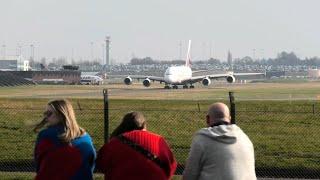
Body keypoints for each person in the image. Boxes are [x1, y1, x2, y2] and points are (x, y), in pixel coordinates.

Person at [183, 102, 256, 180]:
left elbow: (189, 175)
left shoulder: (202, 140)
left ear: (207, 119)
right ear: (230, 119)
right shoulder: (245, 139)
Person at [97, 111, 177, 180]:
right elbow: (171, 166)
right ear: (144, 125)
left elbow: (101, 164)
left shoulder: (114, 143)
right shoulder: (158, 139)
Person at [33, 99, 96, 180]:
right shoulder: (86, 137)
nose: (45, 116)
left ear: (61, 114)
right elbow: (91, 163)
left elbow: (39, 162)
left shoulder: (46, 135)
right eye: (45, 113)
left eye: (49, 113)